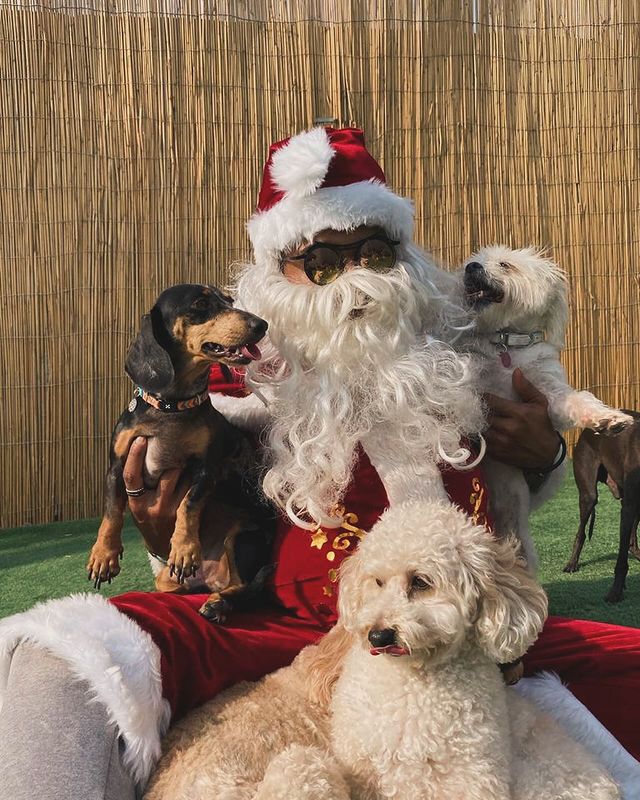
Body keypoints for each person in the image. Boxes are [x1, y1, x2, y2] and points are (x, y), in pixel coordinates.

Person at [0, 128, 638, 800]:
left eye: (375, 252)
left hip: (457, 633)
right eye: (324, 262)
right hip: (275, 625)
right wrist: (162, 532)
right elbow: (186, 507)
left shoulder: (461, 357)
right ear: (276, 276)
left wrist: (542, 458)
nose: (358, 277)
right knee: (60, 661)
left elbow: (511, 488)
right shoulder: (240, 386)